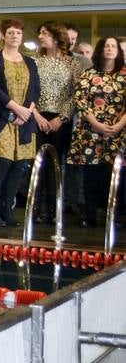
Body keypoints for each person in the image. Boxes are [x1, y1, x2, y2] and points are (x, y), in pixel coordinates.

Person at [0, 19, 42, 228]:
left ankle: (7, 208)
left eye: (18, 32)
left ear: (21, 37)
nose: (14, 36)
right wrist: (15, 108)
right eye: (10, 33)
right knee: (2, 163)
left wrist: (25, 112)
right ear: (4, 36)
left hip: (24, 120)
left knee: (19, 165)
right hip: (1, 118)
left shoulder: (30, 62)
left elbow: (35, 90)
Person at [68, 38, 125, 228]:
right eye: (106, 46)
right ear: (100, 50)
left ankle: (113, 215)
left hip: (118, 132)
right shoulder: (88, 73)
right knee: (90, 175)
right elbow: (80, 101)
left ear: (118, 51)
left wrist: (118, 126)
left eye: (113, 46)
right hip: (90, 131)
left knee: (113, 176)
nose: (109, 49)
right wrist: (96, 124)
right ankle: (89, 214)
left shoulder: (125, 74)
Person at [29, 22, 77, 223]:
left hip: (60, 120)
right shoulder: (33, 61)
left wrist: (62, 117)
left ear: (57, 37)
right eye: (39, 32)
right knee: (37, 163)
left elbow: (76, 94)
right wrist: (37, 115)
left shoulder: (72, 63)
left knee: (55, 165)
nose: (40, 36)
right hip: (37, 117)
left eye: (45, 33)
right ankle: (34, 208)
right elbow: (28, 90)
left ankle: (52, 209)